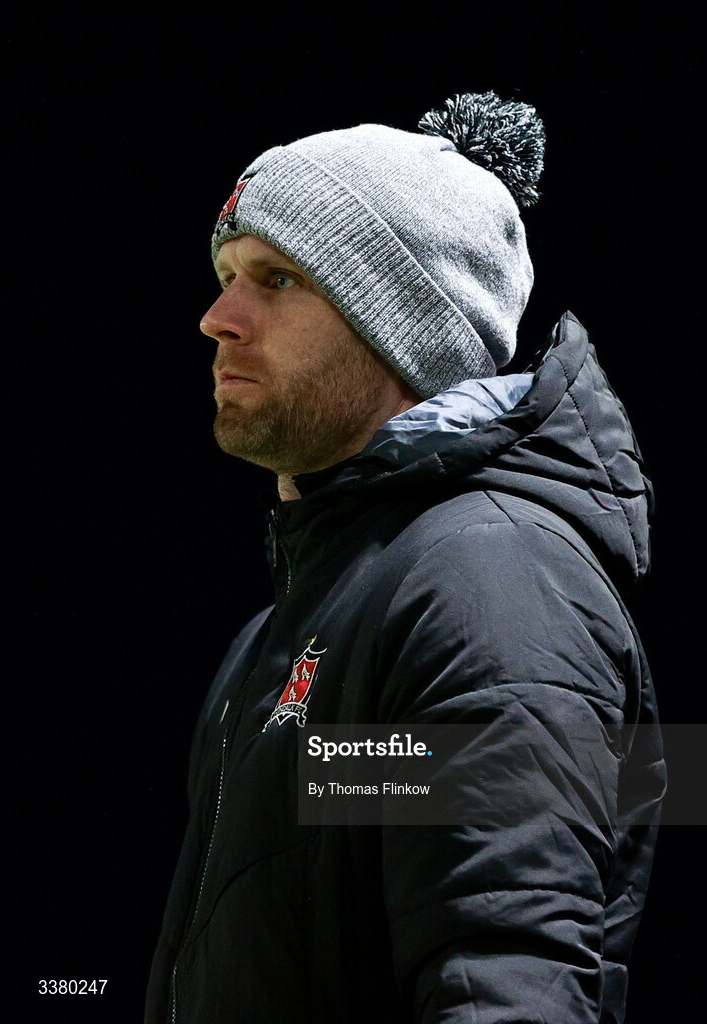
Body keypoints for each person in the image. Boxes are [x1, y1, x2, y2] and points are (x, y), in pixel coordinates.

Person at [144, 91, 666, 1024]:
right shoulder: (291, 626)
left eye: (278, 279)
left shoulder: (491, 581)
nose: (216, 316)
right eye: (226, 273)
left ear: (398, 321)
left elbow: (507, 977)